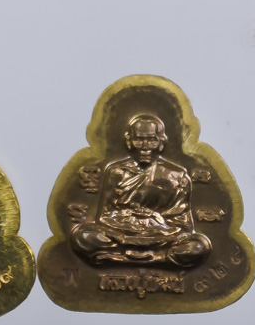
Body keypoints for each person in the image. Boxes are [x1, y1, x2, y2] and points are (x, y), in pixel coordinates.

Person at [71, 114, 211, 267]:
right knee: (83, 236)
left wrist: (155, 219)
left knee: (199, 245)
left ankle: (120, 259)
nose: (145, 146)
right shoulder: (116, 172)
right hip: (122, 236)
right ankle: (158, 260)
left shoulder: (177, 175)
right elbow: (105, 216)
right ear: (129, 141)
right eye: (139, 140)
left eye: (152, 140)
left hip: (161, 238)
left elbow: (183, 225)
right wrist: (129, 218)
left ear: (161, 143)